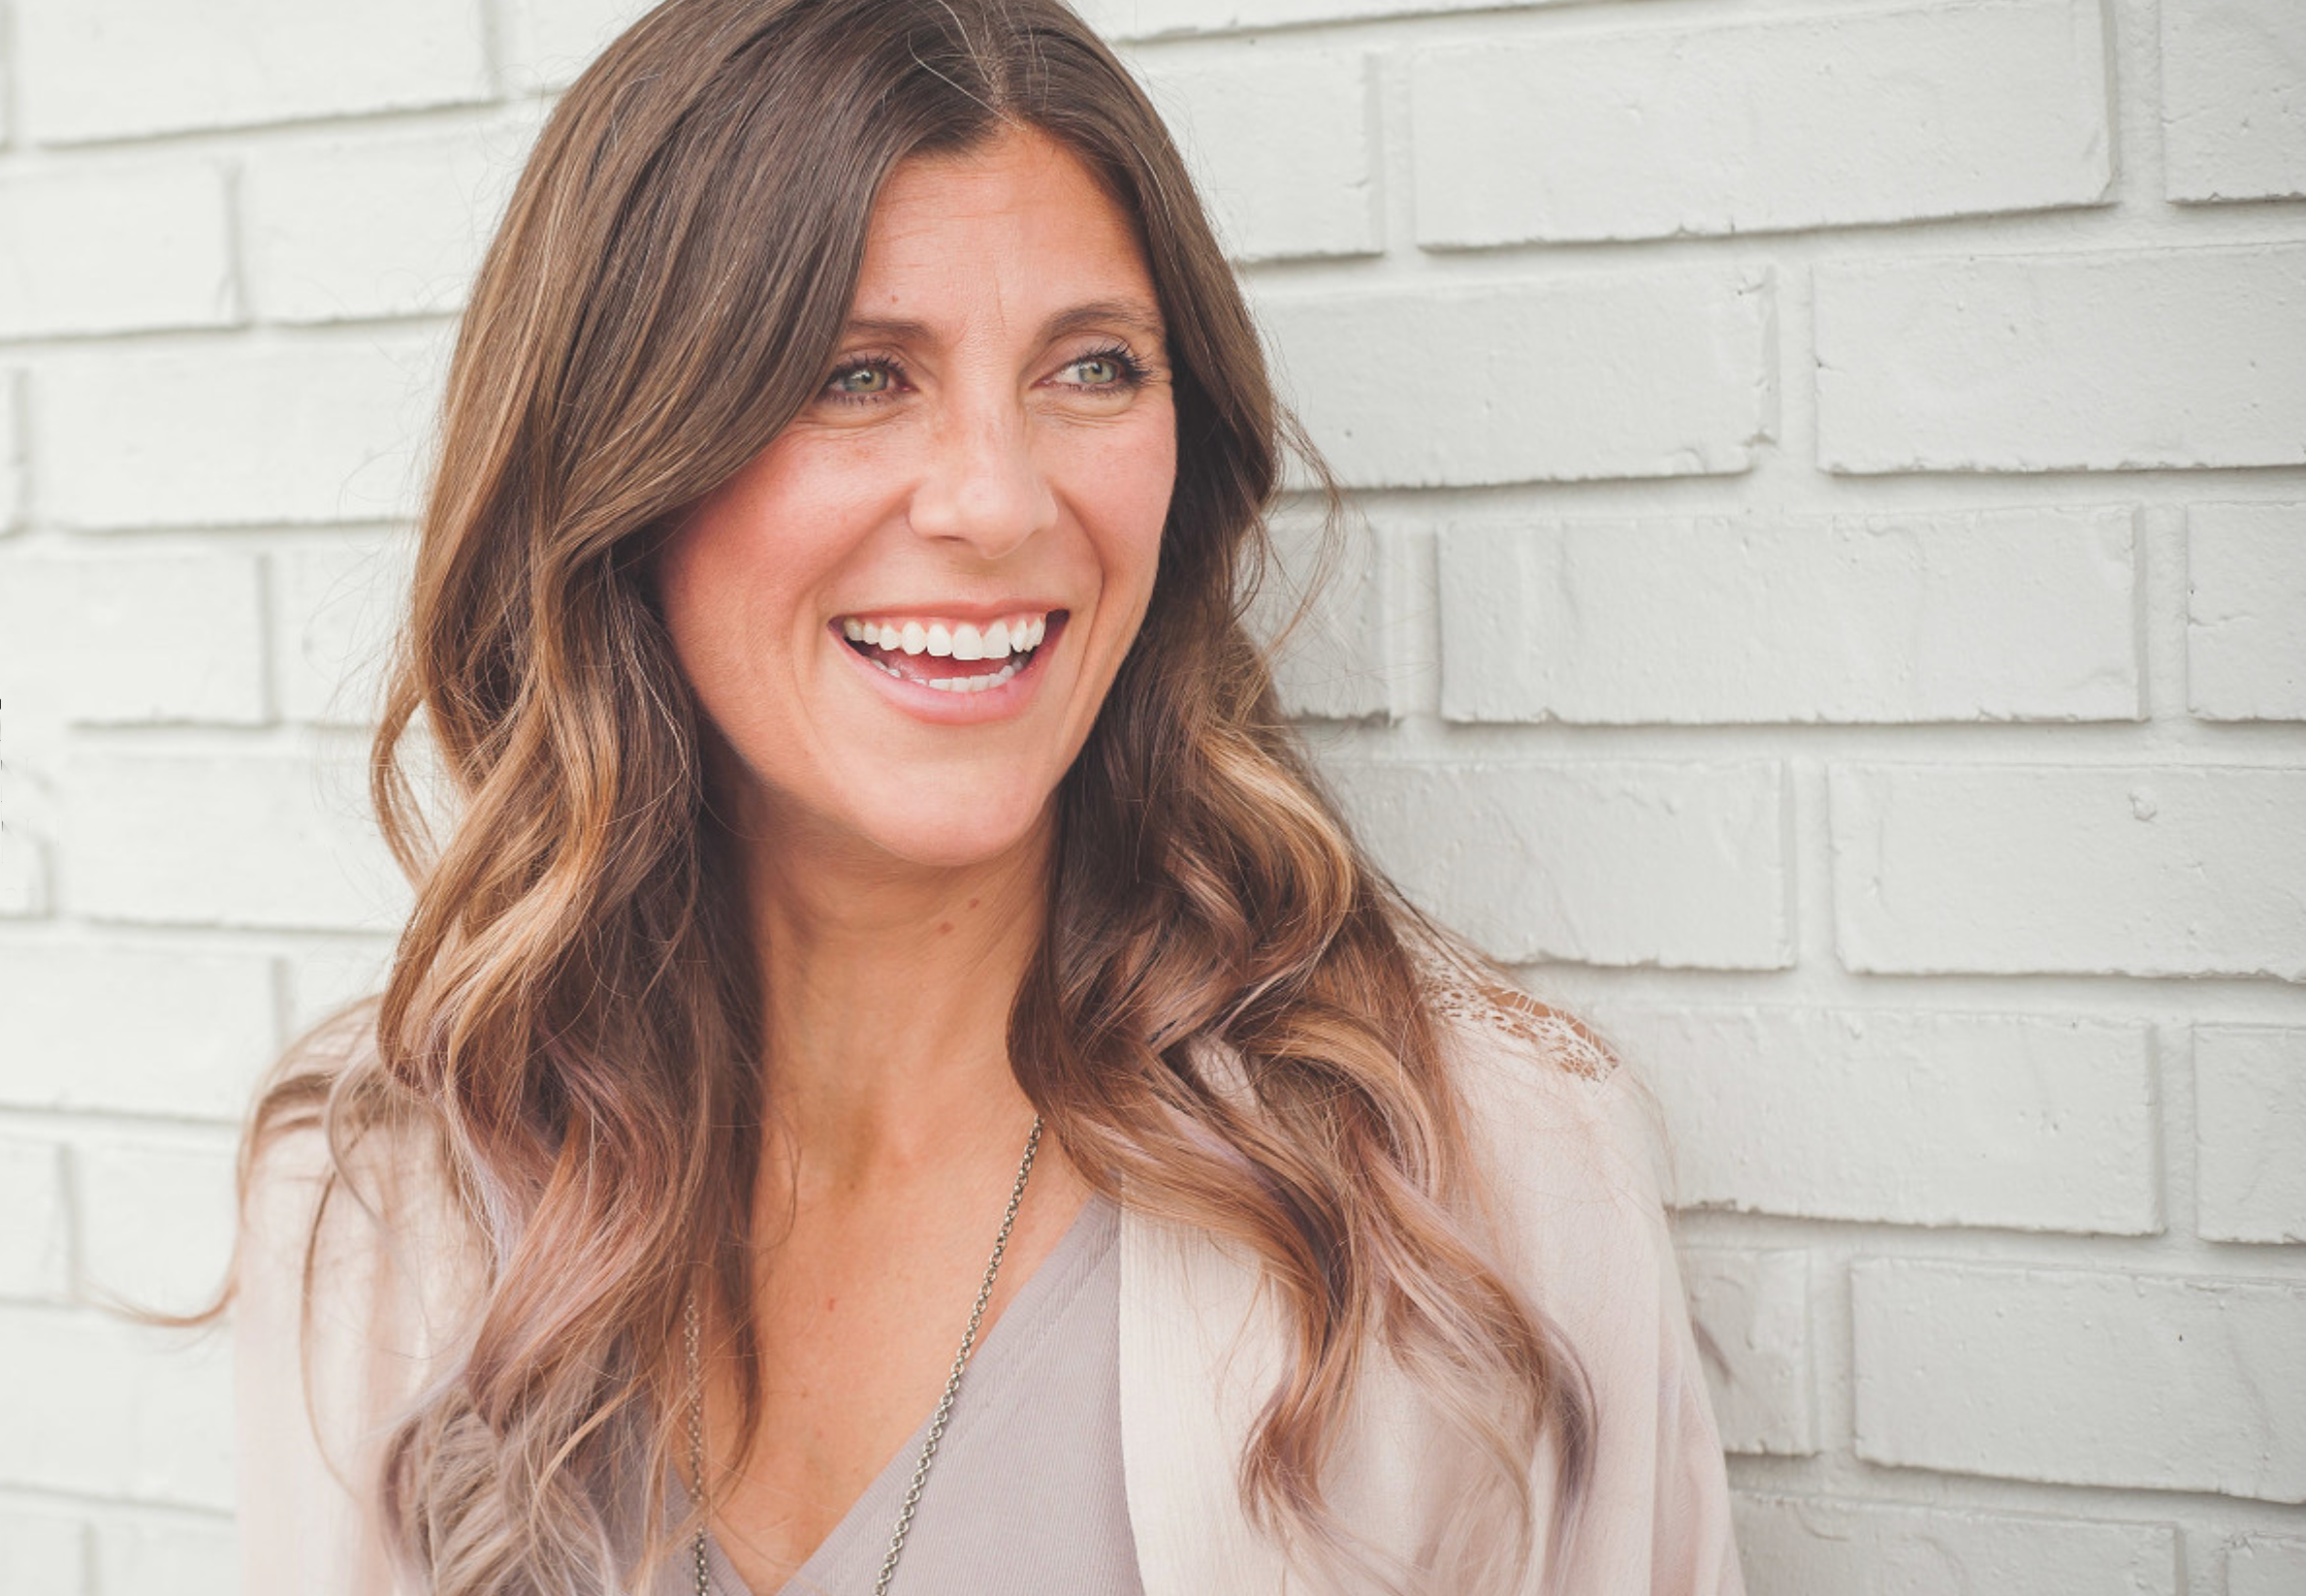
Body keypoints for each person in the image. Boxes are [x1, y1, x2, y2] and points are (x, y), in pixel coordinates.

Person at [220, 1, 1745, 1592]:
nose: (999, 501)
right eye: (858, 375)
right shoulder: (385, 1187)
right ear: (621, 471)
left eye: (1093, 368)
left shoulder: (1460, 1180)